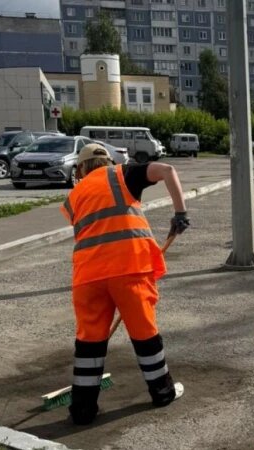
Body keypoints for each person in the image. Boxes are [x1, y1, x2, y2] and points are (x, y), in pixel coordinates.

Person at [59, 143, 191, 425]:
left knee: (89, 344)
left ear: (81, 170)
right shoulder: (123, 174)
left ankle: (82, 410)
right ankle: (162, 391)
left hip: (88, 276)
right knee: (144, 334)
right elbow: (168, 170)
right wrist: (180, 213)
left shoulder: (75, 195)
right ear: (108, 161)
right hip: (129, 269)